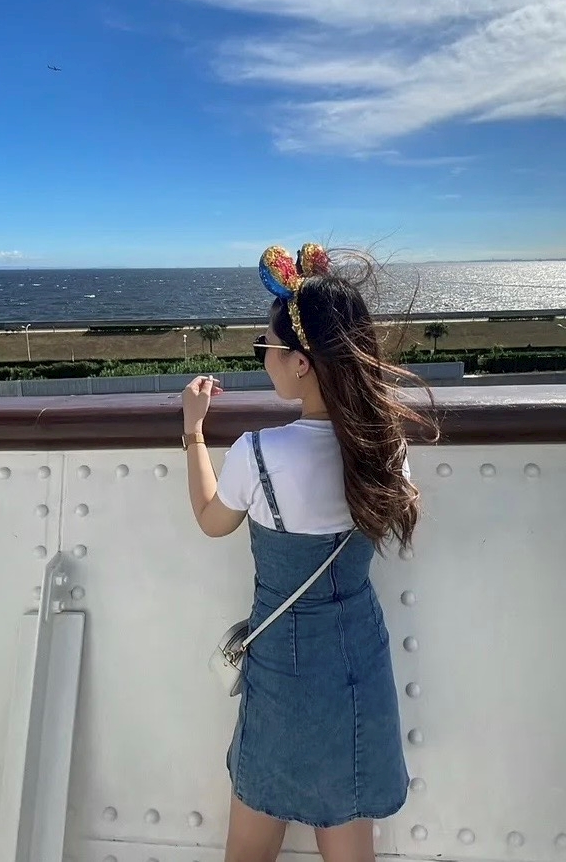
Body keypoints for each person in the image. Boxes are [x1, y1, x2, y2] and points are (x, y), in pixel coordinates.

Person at [182, 243, 428, 862]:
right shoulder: (385, 446)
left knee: (252, 831)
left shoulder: (259, 452)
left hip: (284, 662)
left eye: (264, 347)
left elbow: (212, 520)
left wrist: (192, 430)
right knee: (347, 823)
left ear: (300, 362)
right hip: (358, 653)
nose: (263, 358)